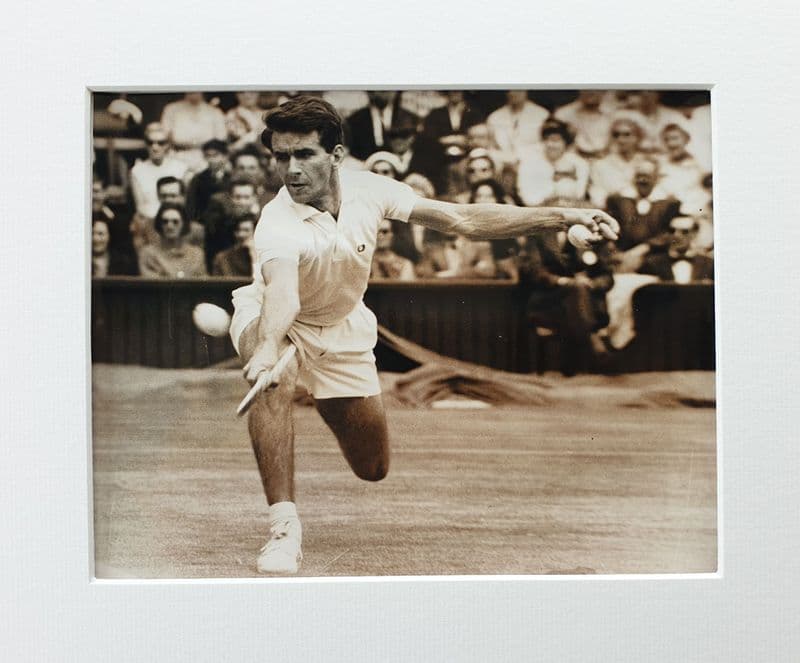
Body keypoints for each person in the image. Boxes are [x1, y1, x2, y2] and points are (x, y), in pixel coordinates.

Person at [224, 96, 619, 574]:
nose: (291, 170)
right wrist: (266, 350)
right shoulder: (277, 223)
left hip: (344, 327)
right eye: (281, 156)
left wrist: (562, 216)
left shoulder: (370, 189)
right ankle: (284, 531)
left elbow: (462, 219)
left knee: (373, 467)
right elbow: (282, 297)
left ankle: (327, 398)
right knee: (272, 383)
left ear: (336, 156)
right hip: (275, 317)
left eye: (303, 154)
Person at [129, 123, 188, 247]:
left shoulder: (180, 168)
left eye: (160, 143)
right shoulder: (137, 171)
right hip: (149, 222)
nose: (155, 147)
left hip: (175, 221)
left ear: (168, 145)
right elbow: (140, 207)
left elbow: (184, 203)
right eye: (150, 142)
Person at [516, 118, 590, 207]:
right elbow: (526, 198)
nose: (550, 144)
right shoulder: (529, 163)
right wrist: (551, 195)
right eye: (546, 140)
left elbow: (579, 194)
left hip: (570, 210)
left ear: (566, 143)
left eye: (556, 140)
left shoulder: (579, 164)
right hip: (538, 211)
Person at [160, 92, 227, 176]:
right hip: (177, 157)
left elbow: (220, 139)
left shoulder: (215, 112)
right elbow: (165, 136)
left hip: (206, 159)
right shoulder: (171, 109)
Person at [587, 117, 646, 208]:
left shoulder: (647, 163)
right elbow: (597, 195)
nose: (621, 140)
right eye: (616, 135)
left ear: (637, 137)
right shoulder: (600, 165)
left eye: (627, 135)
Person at [138, 203, 207, 278]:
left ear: (183, 225)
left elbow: (203, 282)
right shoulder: (148, 254)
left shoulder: (196, 255)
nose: (170, 226)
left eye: (175, 222)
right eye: (165, 222)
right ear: (159, 225)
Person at [637, 216, 714, 283]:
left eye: (684, 232)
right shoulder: (651, 263)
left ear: (694, 234)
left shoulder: (709, 264)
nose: (676, 235)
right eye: (672, 231)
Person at [185, 139, 231, 222]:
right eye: (208, 156)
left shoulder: (232, 178)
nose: (211, 160)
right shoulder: (198, 179)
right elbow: (192, 206)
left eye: (215, 155)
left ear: (225, 156)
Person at [212, 212, 257, 277]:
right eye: (238, 230)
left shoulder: (265, 257)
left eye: (246, 230)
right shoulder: (223, 258)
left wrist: (254, 255)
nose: (241, 235)